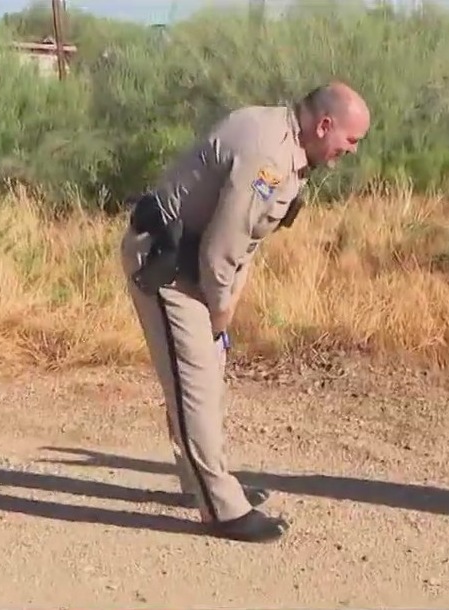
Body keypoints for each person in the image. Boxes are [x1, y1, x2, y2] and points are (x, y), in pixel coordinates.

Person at [119, 81, 371, 543]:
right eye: (351, 140)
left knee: (204, 378)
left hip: (194, 265)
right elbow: (223, 247)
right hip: (167, 264)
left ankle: (204, 482)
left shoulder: (287, 145)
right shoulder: (269, 157)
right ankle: (221, 507)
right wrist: (220, 311)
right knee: (194, 378)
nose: (351, 151)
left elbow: (245, 239)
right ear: (325, 125)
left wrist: (227, 299)